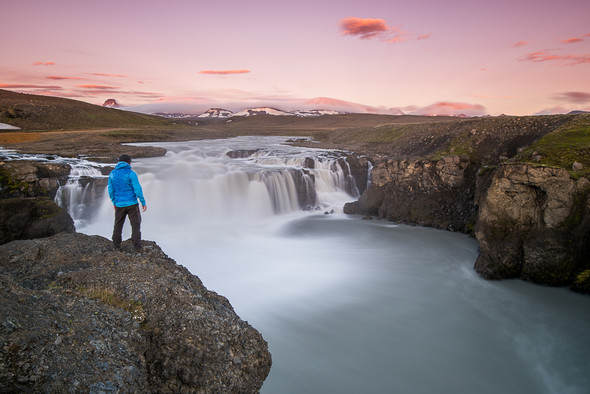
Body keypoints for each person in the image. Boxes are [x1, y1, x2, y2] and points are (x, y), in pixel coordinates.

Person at [108, 154, 147, 251]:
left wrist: (114, 202)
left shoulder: (112, 174)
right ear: (128, 162)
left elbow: (110, 190)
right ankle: (137, 247)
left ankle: (116, 246)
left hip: (119, 204)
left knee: (118, 225)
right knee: (135, 225)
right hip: (132, 204)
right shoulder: (131, 173)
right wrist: (143, 202)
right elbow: (137, 189)